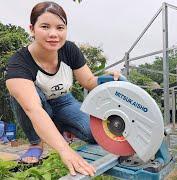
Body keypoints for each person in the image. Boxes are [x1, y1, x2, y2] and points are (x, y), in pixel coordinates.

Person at [5, 1, 119, 177]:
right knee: (25, 97)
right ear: (32, 28)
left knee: (95, 134)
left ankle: (61, 128)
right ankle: (36, 143)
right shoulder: (19, 62)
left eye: (60, 27)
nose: (53, 34)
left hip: (64, 101)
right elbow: (33, 109)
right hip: (38, 106)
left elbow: (88, 81)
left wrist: (108, 79)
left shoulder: (69, 50)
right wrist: (65, 150)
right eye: (45, 26)